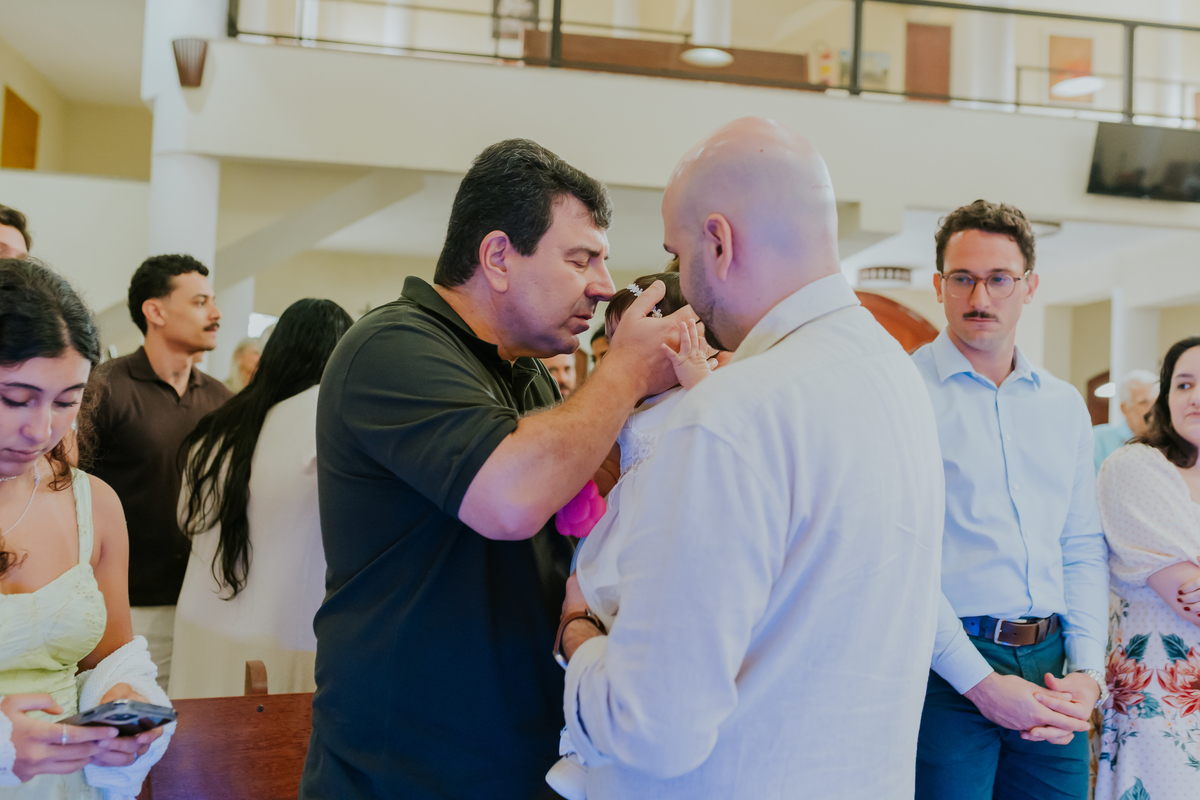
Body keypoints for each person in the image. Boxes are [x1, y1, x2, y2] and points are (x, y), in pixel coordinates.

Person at [556, 117, 945, 799]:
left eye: (678, 256)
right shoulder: (896, 376)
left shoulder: (730, 413)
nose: (681, 275)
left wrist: (579, 638)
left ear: (719, 240)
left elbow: (655, 728)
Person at [301, 139, 686, 800]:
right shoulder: (392, 346)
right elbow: (510, 500)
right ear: (499, 256)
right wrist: (625, 368)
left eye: (603, 260)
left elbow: (573, 501)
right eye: (581, 258)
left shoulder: (524, 369)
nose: (601, 283)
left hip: (512, 756)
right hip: (407, 770)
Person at [911, 200, 1109, 800]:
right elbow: (902, 560)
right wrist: (979, 683)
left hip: (1052, 663)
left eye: (1000, 279)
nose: (981, 297)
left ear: (1029, 287)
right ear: (939, 285)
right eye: (963, 279)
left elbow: (1079, 546)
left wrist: (1088, 673)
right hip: (946, 667)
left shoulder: (1063, 404)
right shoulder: (904, 394)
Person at [0, 258, 172, 796]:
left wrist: (121, 695)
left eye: (65, 403)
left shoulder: (92, 504)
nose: (40, 429)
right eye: (15, 400)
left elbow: (110, 654)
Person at [548, 273, 716, 799]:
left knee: (630, 635)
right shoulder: (632, 404)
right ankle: (581, 746)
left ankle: (605, 748)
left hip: (663, 535)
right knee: (597, 617)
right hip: (619, 537)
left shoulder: (707, 386)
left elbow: (727, 428)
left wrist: (696, 374)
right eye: (618, 341)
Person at [170, 299, 353, 699]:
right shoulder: (328, 417)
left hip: (201, 618)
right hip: (282, 634)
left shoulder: (221, 423)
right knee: (271, 758)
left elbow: (188, 520)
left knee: (201, 752)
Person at [84, 254, 232, 689]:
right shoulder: (106, 388)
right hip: (126, 603)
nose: (216, 313)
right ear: (155, 311)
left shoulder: (222, 400)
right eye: (201, 301)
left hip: (202, 600)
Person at [1095, 336, 1200, 800]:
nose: (1195, 396)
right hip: (1162, 698)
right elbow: (1187, 595)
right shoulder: (1135, 467)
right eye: (1183, 384)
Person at [1093, 370, 1158, 473]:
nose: (1152, 409)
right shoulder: (1098, 439)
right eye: (1143, 402)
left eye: (1156, 402)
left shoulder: (1166, 442)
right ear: (1124, 408)